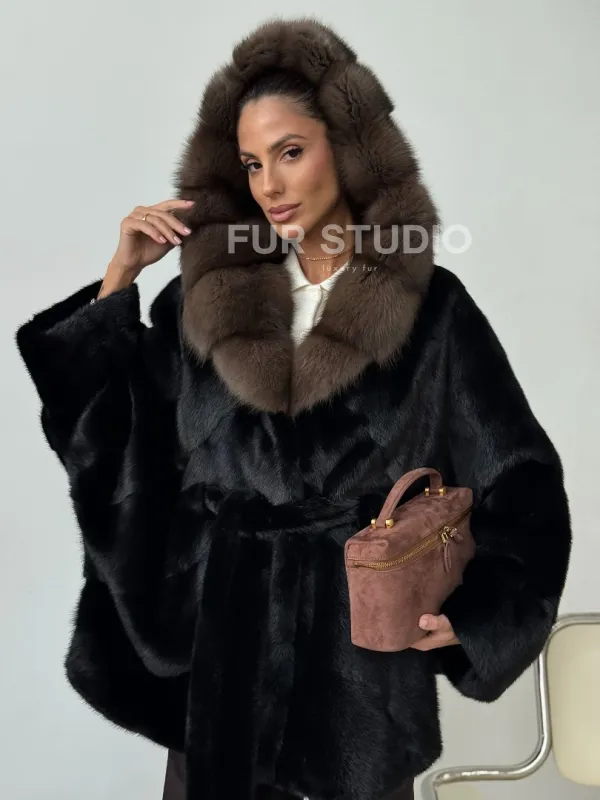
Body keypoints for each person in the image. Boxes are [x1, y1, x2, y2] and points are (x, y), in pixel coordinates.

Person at [15, 17, 571, 800]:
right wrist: (120, 279)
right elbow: (112, 443)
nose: (268, 186)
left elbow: (520, 476)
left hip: (358, 684)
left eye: (290, 152)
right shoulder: (202, 306)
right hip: (219, 672)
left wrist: (484, 612)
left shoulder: (432, 312)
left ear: (347, 147)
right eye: (251, 163)